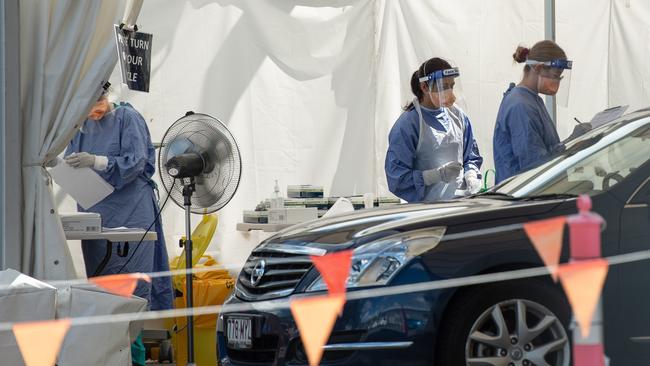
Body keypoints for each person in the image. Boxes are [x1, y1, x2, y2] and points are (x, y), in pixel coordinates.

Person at [64, 84, 173, 309]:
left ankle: (135, 338)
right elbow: (70, 159)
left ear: (106, 96)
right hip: (95, 211)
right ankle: (106, 336)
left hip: (131, 210)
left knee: (134, 278)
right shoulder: (80, 125)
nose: (94, 112)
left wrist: (96, 160)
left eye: (98, 103)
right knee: (101, 281)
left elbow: (136, 162)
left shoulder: (127, 118)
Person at [385, 57, 483, 202]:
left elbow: (470, 157)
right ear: (425, 87)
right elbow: (397, 178)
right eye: (443, 86)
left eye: (452, 85)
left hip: (461, 205)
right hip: (427, 211)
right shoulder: (408, 125)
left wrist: (471, 175)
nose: (450, 92)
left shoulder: (458, 117)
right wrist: (433, 176)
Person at [493, 40, 590, 184]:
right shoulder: (521, 106)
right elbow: (534, 164)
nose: (557, 81)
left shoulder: (531, 99)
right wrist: (571, 142)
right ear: (537, 68)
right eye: (556, 75)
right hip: (522, 196)